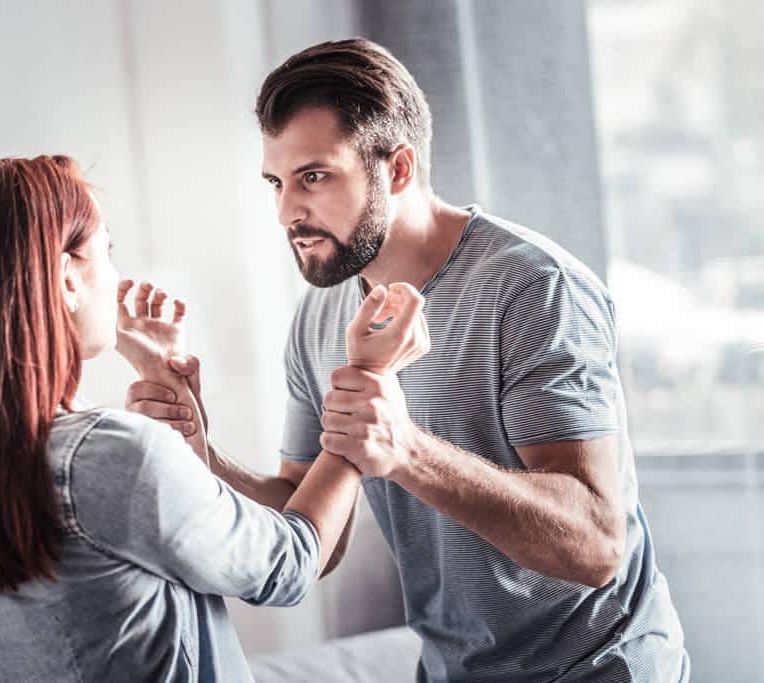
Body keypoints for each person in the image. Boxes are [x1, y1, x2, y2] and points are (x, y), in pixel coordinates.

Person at [127, 39, 690, 681]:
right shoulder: (319, 317)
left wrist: (405, 450)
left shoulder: (535, 288)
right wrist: (204, 459)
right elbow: (313, 532)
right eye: (277, 183)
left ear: (397, 169)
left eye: (314, 176)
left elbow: (596, 544)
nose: (287, 212)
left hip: (597, 670)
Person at [0, 154, 427, 682]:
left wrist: (163, 377)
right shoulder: (104, 455)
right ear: (66, 278)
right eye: (106, 250)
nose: (117, 276)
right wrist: (367, 386)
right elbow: (288, 564)